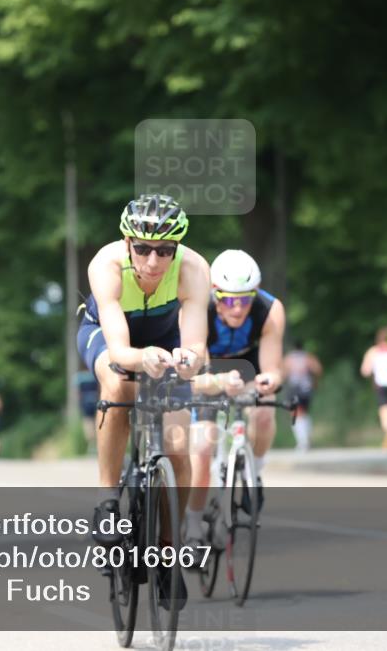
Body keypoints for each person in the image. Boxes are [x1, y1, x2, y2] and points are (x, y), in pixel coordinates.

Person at [76, 194, 209, 610]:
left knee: (178, 444)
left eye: (165, 250)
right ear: (127, 243)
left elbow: (197, 345)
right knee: (117, 385)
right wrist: (141, 359)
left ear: (177, 249)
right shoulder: (106, 264)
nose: (153, 261)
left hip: (165, 339)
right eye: (144, 248)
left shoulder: (194, 269)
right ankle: (106, 502)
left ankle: (168, 552)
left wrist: (189, 359)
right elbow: (119, 350)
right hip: (108, 337)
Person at [185, 249, 285, 562]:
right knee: (202, 447)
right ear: (215, 293)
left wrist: (269, 381)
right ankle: (193, 526)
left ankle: (255, 472)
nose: (238, 308)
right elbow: (192, 379)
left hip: (248, 367)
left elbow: (272, 368)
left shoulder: (270, 310)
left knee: (264, 411)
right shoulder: (197, 309)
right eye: (229, 300)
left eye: (245, 299)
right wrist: (218, 382)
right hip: (208, 372)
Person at [282, 341, 323, 451]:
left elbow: (283, 374)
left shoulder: (289, 358)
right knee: (304, 413)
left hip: (295, 388)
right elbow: (318, 370)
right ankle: (307, 439)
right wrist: (314, 381)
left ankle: (303, 441)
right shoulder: (308, 357)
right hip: (307, 388)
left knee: (296, 413)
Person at [75, 370, 100, 453]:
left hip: (86, 405)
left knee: (89, 425)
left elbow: (79, 394)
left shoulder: (79, 378)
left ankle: (92, 445)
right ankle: (96, 444)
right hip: (96, 404)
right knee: (97, 424)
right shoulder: (95, 375)